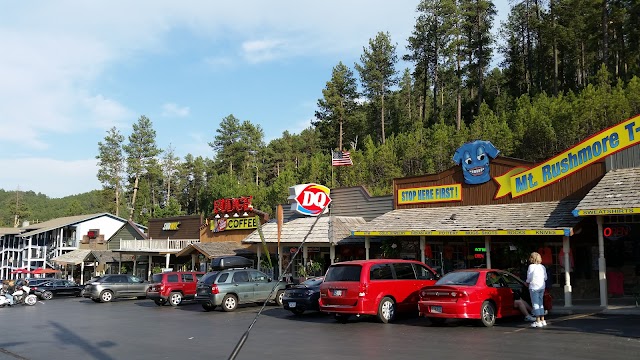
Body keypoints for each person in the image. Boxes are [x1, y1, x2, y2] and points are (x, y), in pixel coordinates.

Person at [526, 252, 548, 327]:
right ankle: (543, 320)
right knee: (541, 303)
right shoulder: (542, 267)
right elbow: (545, 277)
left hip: (534, 286)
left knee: (535, 304)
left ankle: (537, 321)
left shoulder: (531, 267)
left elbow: (530, 277)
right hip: (542, 286)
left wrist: (527, 282)